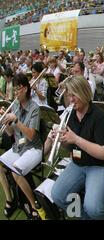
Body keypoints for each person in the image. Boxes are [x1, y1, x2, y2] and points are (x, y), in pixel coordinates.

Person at [47, 76, 104, 219]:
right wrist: (62, 140)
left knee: (94, 208)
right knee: (58, 195)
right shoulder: (70, 114)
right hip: (78, 163)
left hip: (101, 165)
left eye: (75, 95)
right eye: (69, 95)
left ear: (84, 93)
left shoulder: (99, 116)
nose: (71, 99)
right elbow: (70, 146)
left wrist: (76, 139)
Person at [0, 73, 44, 219]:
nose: (15, 93)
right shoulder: (16, 105)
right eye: (14, 90)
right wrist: (6, 122)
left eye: (17, 90)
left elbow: (31, 135)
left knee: (15, 171)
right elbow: (11, 133)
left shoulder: (35, 108)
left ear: (25, 89)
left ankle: (33, 205)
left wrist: (16, 120)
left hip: (33, 148)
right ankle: (10, 199)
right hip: (19, 147)